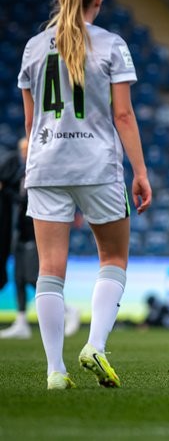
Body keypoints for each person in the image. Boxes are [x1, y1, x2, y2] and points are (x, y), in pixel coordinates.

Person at [17, 0, 151, 389]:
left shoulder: (34, 48)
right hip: (97, 166)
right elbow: (124, 115)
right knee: (112, 259)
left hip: (46, 165)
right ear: (99, 0)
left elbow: (30, 121)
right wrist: (141, 171)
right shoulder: (111, 45)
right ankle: (94, 344)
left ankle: (56, 371)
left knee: (49, 271)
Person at [0, 138, 81, 340]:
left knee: (35, 278)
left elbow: (28, 199)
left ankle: (67, 310)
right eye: (23, 151)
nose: (25, 154)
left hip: (38, 232)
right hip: (20, 232)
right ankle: (21, 322)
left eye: (27, 150)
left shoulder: (41, 172)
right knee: (19, 278)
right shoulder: (19, 173)